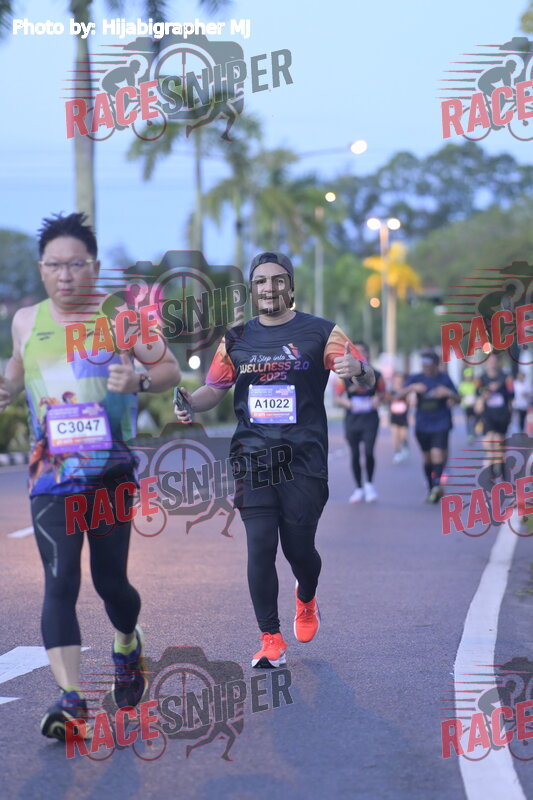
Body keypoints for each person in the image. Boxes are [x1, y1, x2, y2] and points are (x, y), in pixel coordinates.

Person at [0, 213, 181, 741]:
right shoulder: (26, 321)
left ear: (95, 268)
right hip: (50, 475)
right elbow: (16, 369)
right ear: (41, 268)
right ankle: (71, 700)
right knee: (59, 582)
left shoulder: (122, 318)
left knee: (111, 583)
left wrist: (139, 380)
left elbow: (168, 368)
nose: (65, 275)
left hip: (109, 473)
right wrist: (6, 389)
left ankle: (127, 641)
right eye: (54, 265)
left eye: (76, 264)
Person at [174, 251, 373, 668]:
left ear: (291, 287)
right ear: (252, 290)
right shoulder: (236, 338)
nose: (269, 287)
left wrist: (359, 369)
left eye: (278, 279)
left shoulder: (322, 332)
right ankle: (270, 638)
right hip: (254, 456)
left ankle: (306, 596)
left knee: (299, 549)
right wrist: (191, 402)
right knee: (261, 545)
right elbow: (215, 389)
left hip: (304, 458)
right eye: (261, 281)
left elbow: (367, 377)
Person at [397, 349, 460, 503]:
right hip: (422, 424)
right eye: (424, 365)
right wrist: (412, 388)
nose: (426, 368)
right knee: (427, 458)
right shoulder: (416, 378)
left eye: (429, 365)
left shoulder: (444, 379)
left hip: (441, 422)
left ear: (436, 365)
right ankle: (431, 487)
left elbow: (458, 399)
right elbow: (398, 396)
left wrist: (448, 393)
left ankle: (437, 485)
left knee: (437, 453)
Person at [334, 342, 385, 501]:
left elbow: (383, 393)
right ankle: (358, 488)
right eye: (357, 352)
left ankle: (369, 484)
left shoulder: (376, 374)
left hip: (370, 418)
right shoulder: (343, 376)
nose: (360, 355)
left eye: (363, 352)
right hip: (352, 419)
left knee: (369, 452)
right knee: (355, 453)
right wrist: (346, 403)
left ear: (368, 355)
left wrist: (378, 399)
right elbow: (337, 397)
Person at [475, 353, 514, 479]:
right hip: (487, 415)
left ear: (498, 362)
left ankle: (501, 471)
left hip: (502, 415)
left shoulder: (506, 377)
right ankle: (492, 468)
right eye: (490, 361)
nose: (492, 363)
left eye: (494, 361)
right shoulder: (481, 378)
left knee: (498, 443)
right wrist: (486, 393)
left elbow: (512, 394)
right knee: (488, 442)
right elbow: (477, 393)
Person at [387, 373, 410, 463]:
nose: (398, 381)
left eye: (400, 379)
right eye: (397, 379)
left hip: (403, 416)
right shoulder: (391, 391)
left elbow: (410, 402)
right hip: (394, 416)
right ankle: (397, 452)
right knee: (395, 435)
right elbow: (387, 400)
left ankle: (405, 446)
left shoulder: (405, 390)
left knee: (403, 436)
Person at [458, 367, 478, 443]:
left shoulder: (475, 384)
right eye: (467, 377)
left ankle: (474, 431)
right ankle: (470, 434)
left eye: (470, 377)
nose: (469, 378)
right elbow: (459, 395)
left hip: (474, 406)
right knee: (468, 421)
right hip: (466, 406)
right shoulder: (462, 385)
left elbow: (478, 393)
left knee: (475, 420)